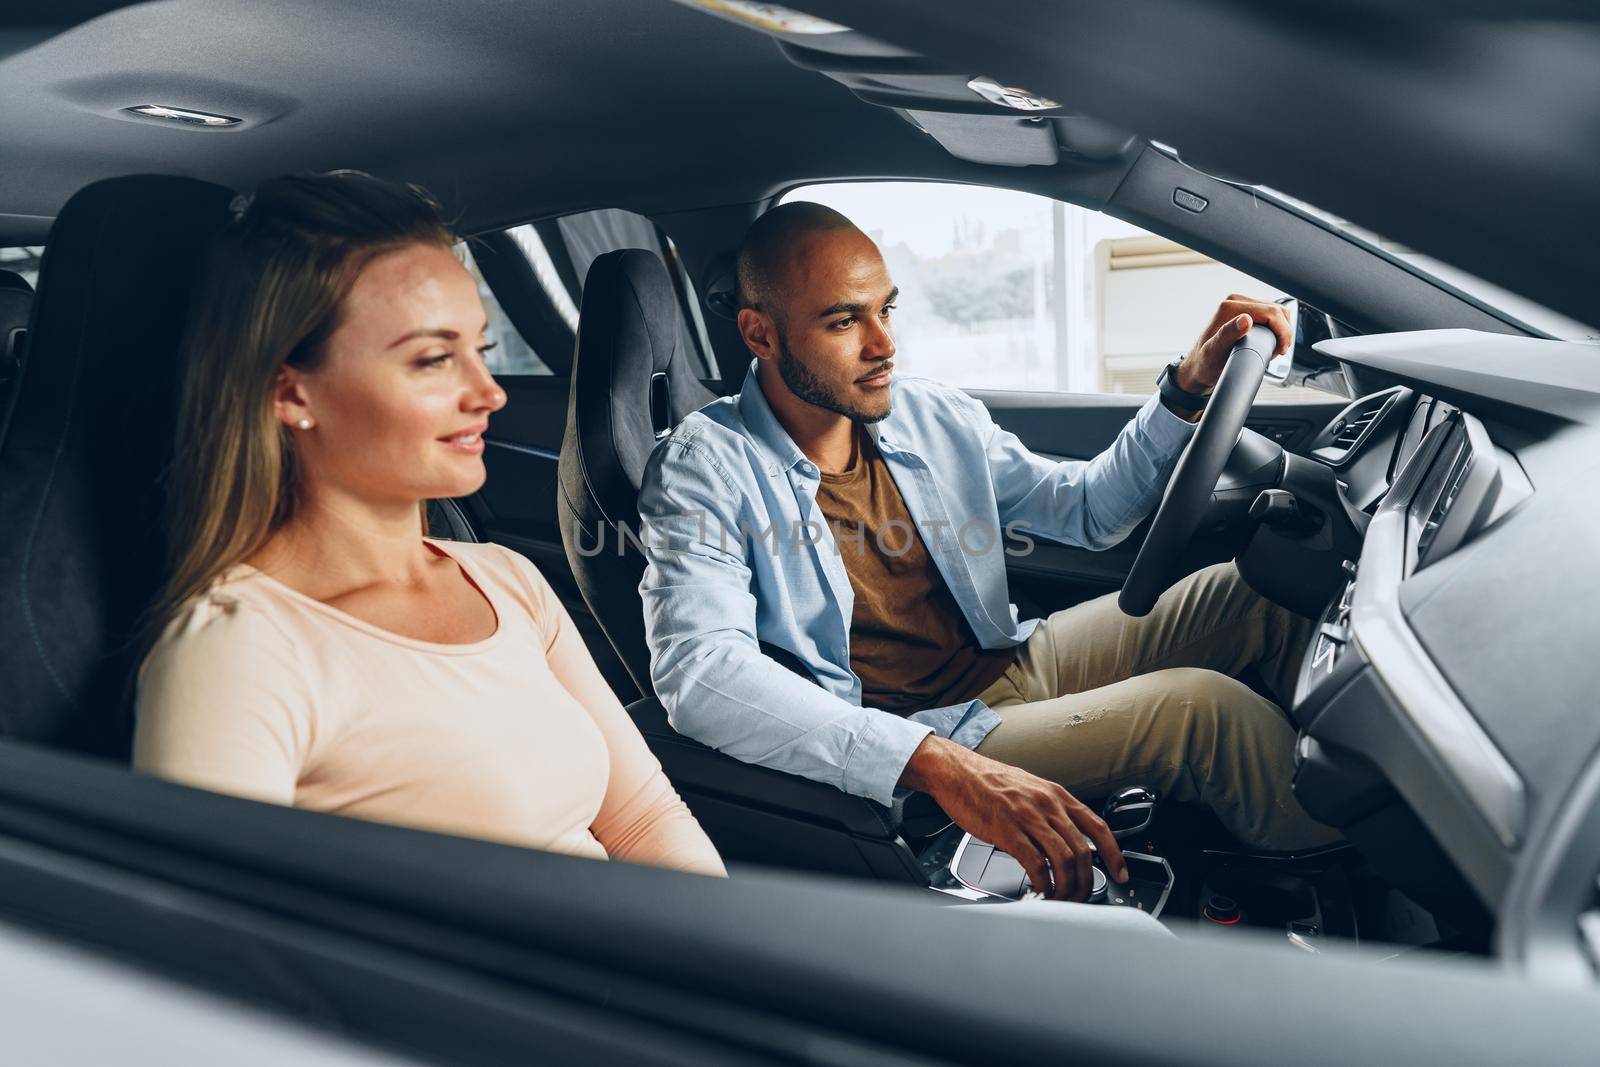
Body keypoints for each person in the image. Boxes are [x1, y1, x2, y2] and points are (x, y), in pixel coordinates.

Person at [637, 201, 1336, 900]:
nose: (883, 344)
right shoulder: (706, 467)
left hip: (1013, 657)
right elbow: (700, 674)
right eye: (844, 320)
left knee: (1254, 593)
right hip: (928, 736)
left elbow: (1089, 510)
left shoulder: (927, 413)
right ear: (760, 333)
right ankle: (1369, 878)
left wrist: (1185, 389)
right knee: (1203, 712)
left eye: (888, 310)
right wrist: (934, 761)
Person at [134, 171, 724, 878]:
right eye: (433, 358)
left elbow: (644, 817)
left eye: (479, 347)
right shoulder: (238, 651)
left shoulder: (505, 578)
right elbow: (216, 955)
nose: (489, 392)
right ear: (290, 391)